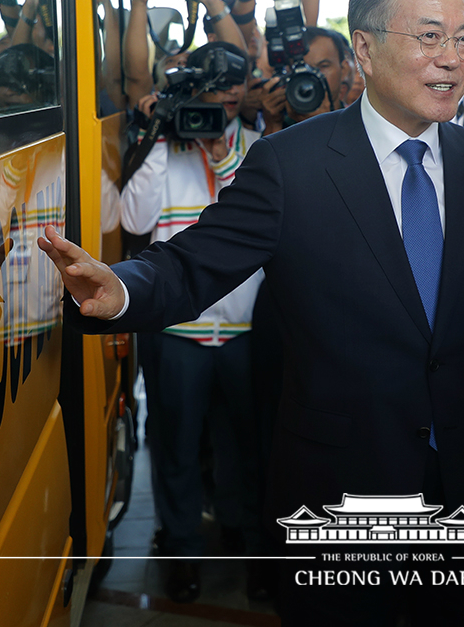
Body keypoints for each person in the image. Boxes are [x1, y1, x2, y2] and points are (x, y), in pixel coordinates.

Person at [38, 0, 464, 627]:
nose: (454, 58)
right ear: (364, 51)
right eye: (430, 36)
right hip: (344, 489)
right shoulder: (292, 164)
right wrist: (122, 289)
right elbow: (195, 262)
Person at [122, 41, 264, 603]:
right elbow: (132, 216)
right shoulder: (164, 146)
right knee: (176, 447)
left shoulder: (258, 147)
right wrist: (160, 134)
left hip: (244, 331)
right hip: (177, 332)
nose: (225, 107)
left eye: (236, 97)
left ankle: (245, 538)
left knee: (244, 448)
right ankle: (180, 547)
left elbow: (252, 211)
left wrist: (217, 148)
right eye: (214, 97)